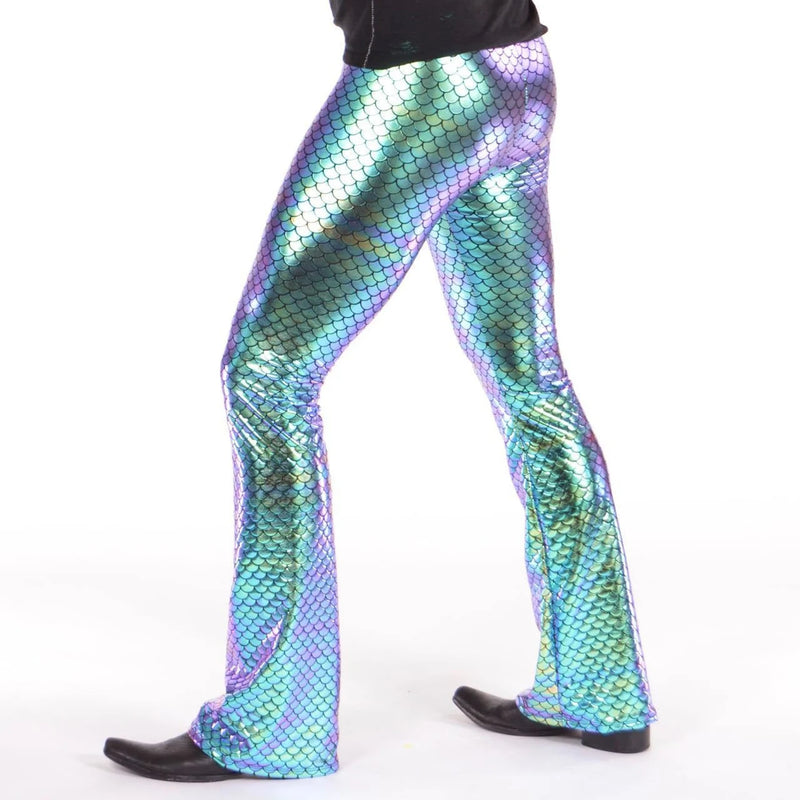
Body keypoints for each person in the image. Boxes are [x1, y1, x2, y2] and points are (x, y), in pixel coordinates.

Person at [102, 0, 658, 782]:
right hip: (518, 72)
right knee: (530, 377)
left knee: (267, 373)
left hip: (417, 83)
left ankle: (275, 727)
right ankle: (603, 690)